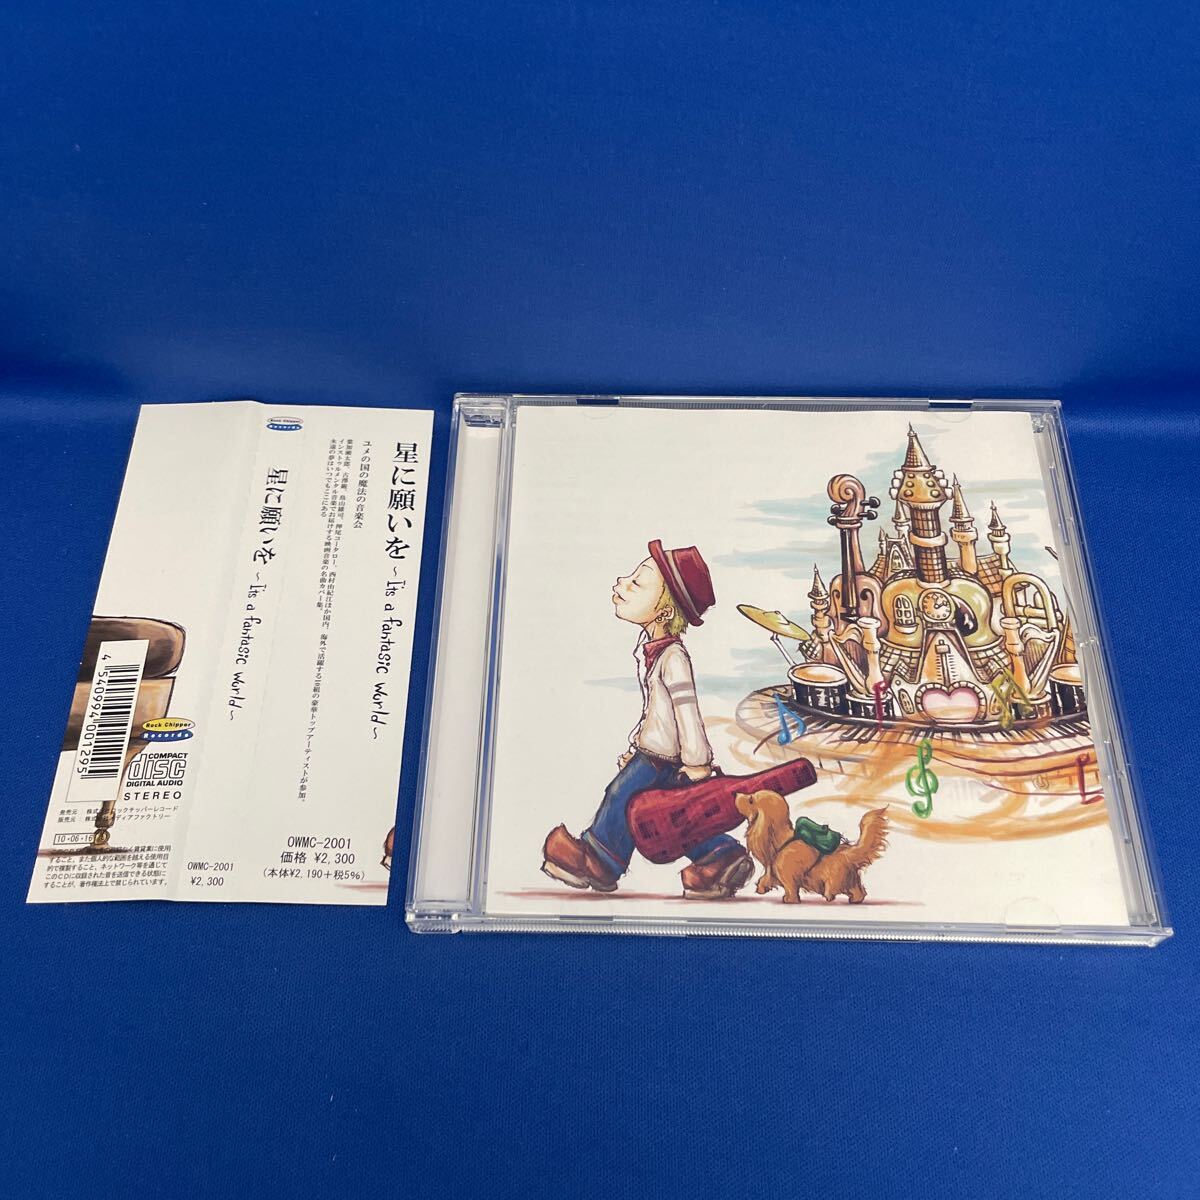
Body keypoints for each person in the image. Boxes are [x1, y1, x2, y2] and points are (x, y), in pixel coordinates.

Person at [541, 540, 754, 900]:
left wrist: (697, 762)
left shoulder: (674, 658)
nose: (621, 583)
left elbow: (687, 712)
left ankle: (599, 860)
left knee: (621, 797)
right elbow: (656, 713)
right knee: (672, 818)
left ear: (664, 612)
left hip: (661, 759)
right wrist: (635, 744)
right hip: (655, 753)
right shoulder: (655, 653)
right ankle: (722, 856)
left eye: (637, 583)